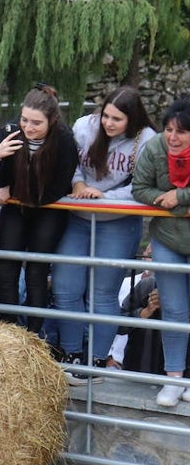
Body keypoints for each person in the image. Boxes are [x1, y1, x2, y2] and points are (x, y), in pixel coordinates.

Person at [51, 86, 156, 381]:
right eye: (106, 116)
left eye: (117, 119)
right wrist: (80, 186)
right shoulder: (84, 127)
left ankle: (97, 359)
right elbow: (69, 165)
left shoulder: (146, 139)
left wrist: (105, 196)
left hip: (118, 219)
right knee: (65, 285)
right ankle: (71, 352)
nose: (109, 123)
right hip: (79, 215)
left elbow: (142, 185)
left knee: (103, 292)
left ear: (132, 121)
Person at [0, 85, 78, 333]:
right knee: (6, 267)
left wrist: (14, 189)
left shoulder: (64, 140)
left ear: (52, 121)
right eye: (24, 119)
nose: (28, 127)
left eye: (36, 123)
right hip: (16, 209)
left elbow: (59, 186)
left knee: (36, 271)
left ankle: (34, 333)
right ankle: (8, 330)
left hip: (48, 208)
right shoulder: (10, 133)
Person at [130, 98, 190, 406]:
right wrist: (162, 199)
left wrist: (178, 195)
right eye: (168, 129)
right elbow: (139, 188)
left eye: (182, 132)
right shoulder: (155, 149)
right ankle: (173, 377)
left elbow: (175, 197)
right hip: (167, 238)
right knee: (175, 309)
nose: (173, 137)